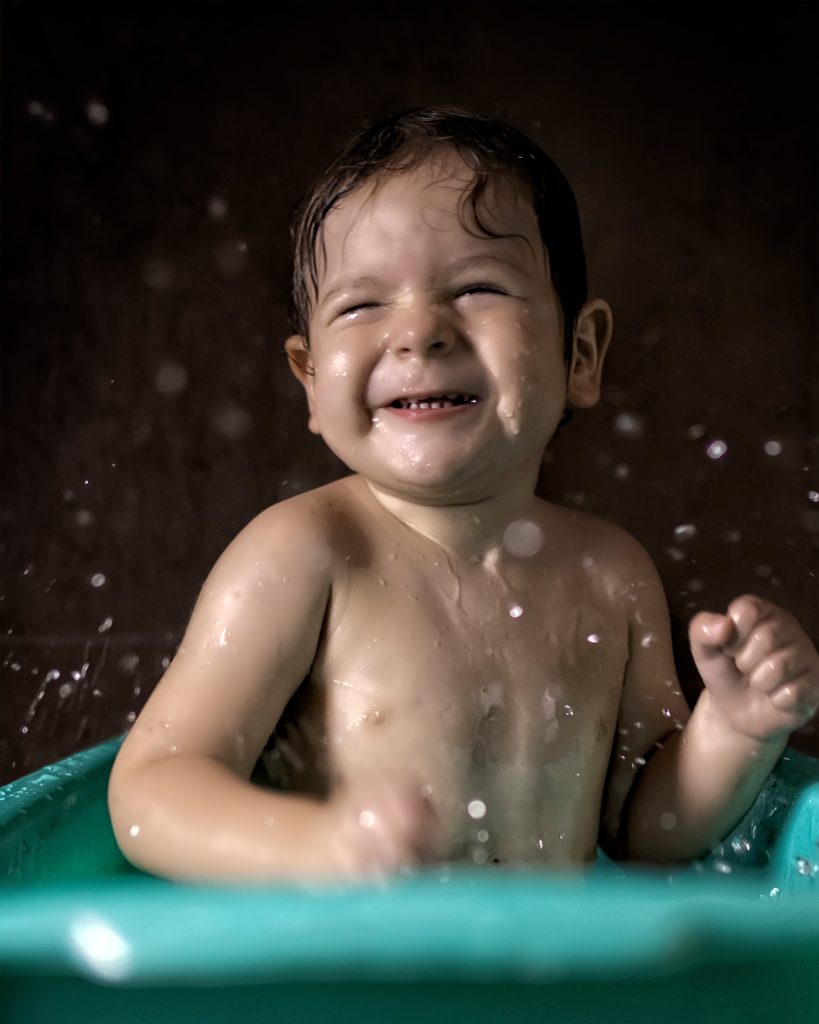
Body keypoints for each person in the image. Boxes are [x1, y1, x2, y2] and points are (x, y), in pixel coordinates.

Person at [108, 107, 819, 882]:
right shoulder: (305, 554)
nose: (419, 332)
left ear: (579, 353)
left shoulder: (610, 574)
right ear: (310, 379)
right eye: (361, 304)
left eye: (478, 287)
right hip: (355, 987)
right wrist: (318, 845)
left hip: (545, 988)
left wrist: (736, 730)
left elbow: (643, 831)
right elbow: (152, 791)